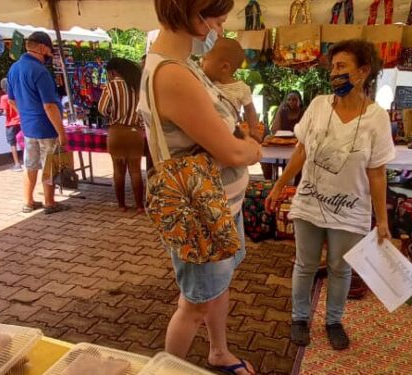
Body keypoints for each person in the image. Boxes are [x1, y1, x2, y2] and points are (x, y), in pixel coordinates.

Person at [139, 1, 262, 373]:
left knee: (213, 292)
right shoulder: (172, 74)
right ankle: (167, 368)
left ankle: (218, 352)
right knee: (194, 304)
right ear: (193, 14)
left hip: (219, 208)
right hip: (204, 214)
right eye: (218, 19)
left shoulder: (180, 65)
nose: (220, 29)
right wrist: (252, 147)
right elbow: (230, 150)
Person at [265, 39, 395, 351]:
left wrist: (383, 221)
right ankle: (299, 318)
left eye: (341, 67)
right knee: (305, 264)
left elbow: (377, 172)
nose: (334, 74)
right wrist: (279, 185)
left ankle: (334, 321)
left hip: (350, 209)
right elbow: (302, 150)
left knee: (340, 267)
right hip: (310, 201)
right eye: (332, 68)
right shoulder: (319, 106)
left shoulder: (377, 118)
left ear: (363, 71)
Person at [7, 31, 68, 214]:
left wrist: (25, 114)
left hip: (28, 127)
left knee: (30, 164)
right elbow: (49, 105)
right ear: (42, 47)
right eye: (49, 50)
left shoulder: (14, 68)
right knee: (49, 164)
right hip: (46, 127)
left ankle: (28, 201)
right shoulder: (40, 71)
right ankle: (49, 202)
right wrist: (61, 132)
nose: (50, 55)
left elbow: (11, 100)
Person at [98, 58, 145, 212]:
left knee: (118, 171)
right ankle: (139, 206)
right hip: (135, 132)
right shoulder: (137, 86)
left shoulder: (110, 86)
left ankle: (122, 205)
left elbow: (102, 108)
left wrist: (113, 113)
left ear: (113, 71)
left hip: (116, 132)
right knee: (136, 171)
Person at [201, 38, 262, 141]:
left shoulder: (241, 88)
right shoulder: (204, 83)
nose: (200, 62)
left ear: (224, 67)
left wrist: (253, 129)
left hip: (230, 133)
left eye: (205, 59)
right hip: (208, 131)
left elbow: (250, 110)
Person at [0, 78, 22, 172]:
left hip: (10, 123)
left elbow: (5, 112)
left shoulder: (4, 98)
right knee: (25, 141)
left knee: (13, 144)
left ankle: (17, 164)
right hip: (20, 121)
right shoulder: (18, 95)